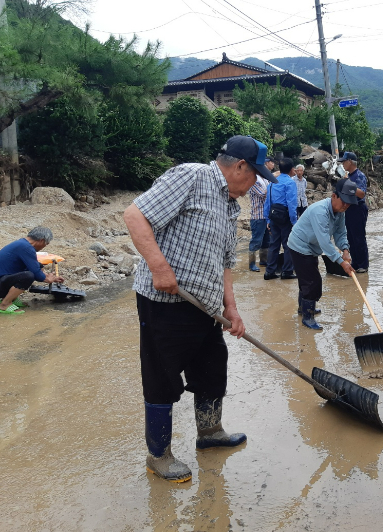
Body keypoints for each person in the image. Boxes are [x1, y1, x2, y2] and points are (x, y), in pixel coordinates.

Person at [123, 135, 277, 483]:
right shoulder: (191, 177)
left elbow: (225, 263)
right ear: (240, 167)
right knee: (162, 377)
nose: (255, 186)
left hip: (205, 308)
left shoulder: (229, 205)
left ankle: (209, 434)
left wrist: (232, 308)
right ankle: (158, 455)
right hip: (164, 304)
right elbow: (134, 215)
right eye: (255, 177)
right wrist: (159, 267)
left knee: (211, 368)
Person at [288, 179, 357, 329]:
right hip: (300, 246)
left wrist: (345, 250)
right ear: (334, 196)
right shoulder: (320, 211)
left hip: (312, 247)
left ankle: (304, 308)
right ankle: (308, 317)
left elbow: (340, 233)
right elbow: (325, 242)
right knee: (313, 283)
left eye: (349, 203)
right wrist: (342, 262)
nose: (346, 205)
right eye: (344, 201)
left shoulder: (339, 212)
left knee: (307, 280)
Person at [0, 226, 64, 315]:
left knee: (32, 269)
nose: (44, 247)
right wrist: (47, 279)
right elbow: (37, 274)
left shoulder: (22, 244)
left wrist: (48, 276)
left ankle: (12, 298)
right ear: (41, 240)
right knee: (28, 276)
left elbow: (35, 266)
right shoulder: (26, 248)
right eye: (45, 244)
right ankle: (5, 304)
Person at [263, 157, 298, 280]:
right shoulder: (290, 183)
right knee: (288, 245)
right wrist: (295, 222)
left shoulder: (272, 183)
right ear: (291, 169)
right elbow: (292, 204)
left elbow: (267, 202)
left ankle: (269, 272)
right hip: (285, 218)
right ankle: (287, 271)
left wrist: (267, 219)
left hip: (273, 217)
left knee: (274, 245)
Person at [339, 152, 369, 273]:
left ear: (350, 161)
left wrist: (348, 184)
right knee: (350, 237)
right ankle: (355, 263)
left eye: (344, 162)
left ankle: (363, 264)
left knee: (359, 237)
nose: (343, 164)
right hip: (349, 208)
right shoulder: (349, 176)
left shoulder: (359, 176)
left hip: (358, 208)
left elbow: (361, 193)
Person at [247, 160, 271, 272]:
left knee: (266, 241)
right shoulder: (254, 180)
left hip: (265, 216)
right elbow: (263, 194)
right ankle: (252, 264)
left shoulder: (264, 179)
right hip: (258, 216)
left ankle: (263, 261)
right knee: (256, 240)